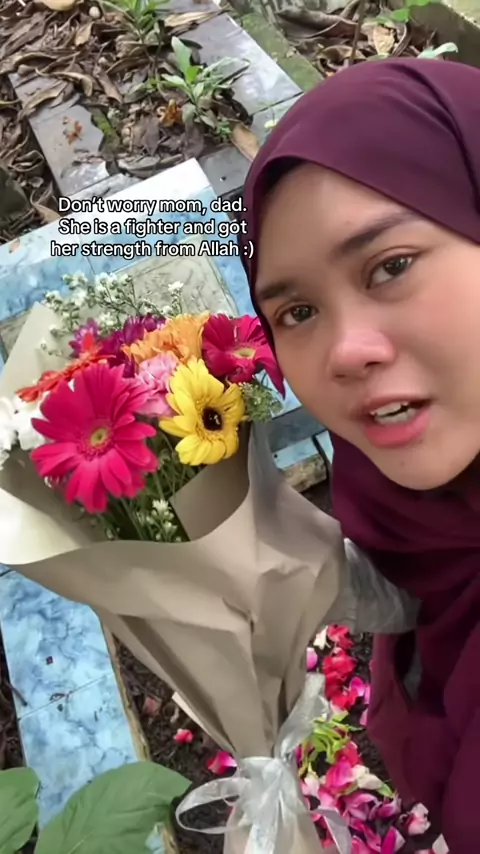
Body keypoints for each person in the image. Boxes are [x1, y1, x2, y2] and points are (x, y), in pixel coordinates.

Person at [240, 56, 480, 853]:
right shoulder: (402, 487)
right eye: (299, 312)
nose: (346, 352)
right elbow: (410, 590)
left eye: (391, 266)